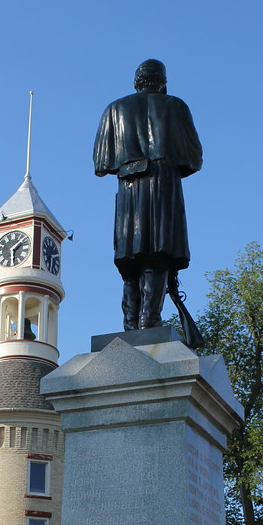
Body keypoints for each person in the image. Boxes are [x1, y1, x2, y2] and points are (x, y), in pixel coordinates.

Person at [93, 59, 203, 332]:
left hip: (130, 192)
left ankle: (131, 324)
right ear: (163, 82)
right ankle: (149, 320)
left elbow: (100, 162)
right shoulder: (176, 106)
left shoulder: (114, 109)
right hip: (163, 187)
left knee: (130, 260)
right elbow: (194, 158)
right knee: (157, 255)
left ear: (136, 81)